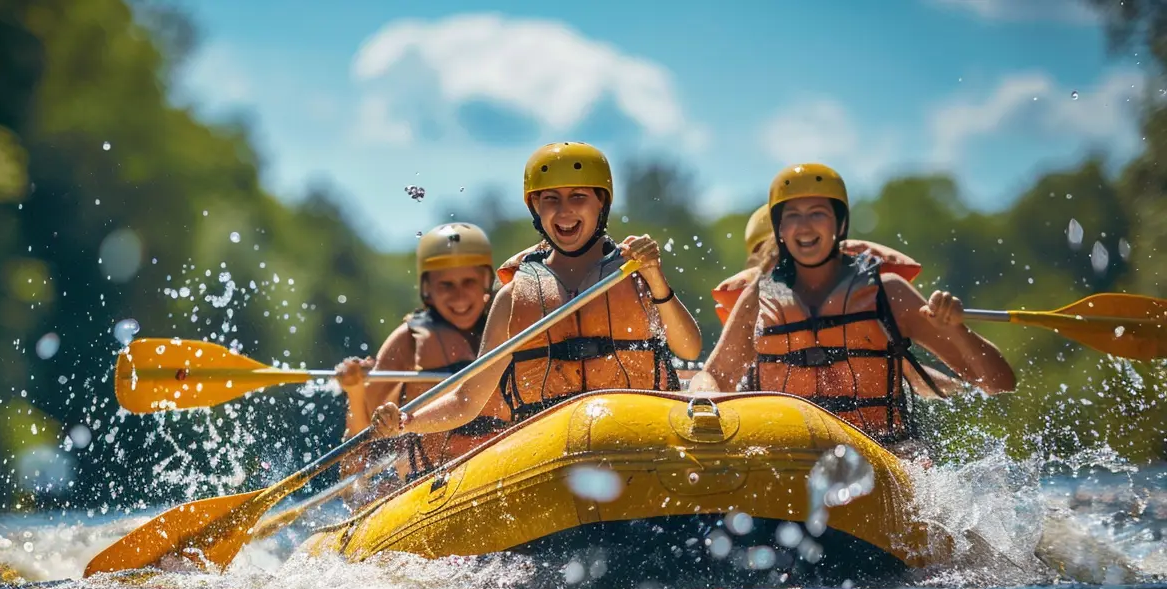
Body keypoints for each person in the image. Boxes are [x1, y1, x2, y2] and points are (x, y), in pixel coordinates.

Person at [369, 141, 703, 440]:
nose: (564, 210)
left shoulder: (636, 274)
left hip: (639, 431)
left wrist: (655, 278)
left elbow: (688, 348)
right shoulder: (513, 298)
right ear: (536, 209)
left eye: (578, 197)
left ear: (601, 203)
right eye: (550, 199)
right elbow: (467, 400)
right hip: (552, 445)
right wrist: (407, 421)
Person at [690, 163, 1014, 445]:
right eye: (792, 216)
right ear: (780, 229)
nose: (804, 226)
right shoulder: (758, 298)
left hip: (880, 454)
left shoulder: (889, 293)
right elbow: (714, 375)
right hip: (788, 458)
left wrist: (957, 330)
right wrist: (702, 403)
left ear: (840, 224)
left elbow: (1000, 383)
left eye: (817, 213)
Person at [712, 205, 963, 397]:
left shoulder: (851, 309)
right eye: (775, 254)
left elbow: (913, 374)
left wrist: (959, 389)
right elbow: (716, 376)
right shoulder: (754, 309)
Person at [335, 223, 507, 479]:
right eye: (446, 285)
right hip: (431, 475)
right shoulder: (408, 341)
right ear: (428, 289)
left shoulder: (506, 323)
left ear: (485, 281)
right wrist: (355, 391)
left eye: (468, 282)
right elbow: (362, 437)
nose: (459, 296)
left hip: (504, 462)